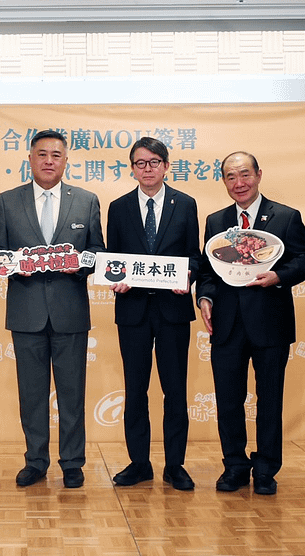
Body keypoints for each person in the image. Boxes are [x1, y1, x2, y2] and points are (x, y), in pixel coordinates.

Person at [0, 129, 104, 489]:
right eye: (42, 154)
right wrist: (12, 262)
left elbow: (98, 252)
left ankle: (72, 462)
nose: (49, 161)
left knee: (72, 393)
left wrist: (82, 264)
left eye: (56, 155)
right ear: (30, 159)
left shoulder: (86, 200)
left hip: (70, 312)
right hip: (26, 312)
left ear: (65, 160)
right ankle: (35, 461)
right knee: (32, 393)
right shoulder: (8, 201)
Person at [196, 152, 305, 495]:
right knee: (228, 399)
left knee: (270, 400)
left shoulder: (286, 217)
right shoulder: (216, 222)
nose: (239, 183)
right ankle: (234, 466)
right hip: (226, 324)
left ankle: (265, 469)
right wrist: (204, 298)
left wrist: (278, 276)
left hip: (270, 323)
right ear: (224, 181)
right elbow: (207, 272)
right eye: (231, 177)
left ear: (259, 174)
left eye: (245, 174)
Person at [105, 137, 200, 490]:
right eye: (140, 163)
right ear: (132, 168)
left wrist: (188, 275)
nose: (148, 169)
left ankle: (175, 464)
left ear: (166, 165)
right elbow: (111, 257)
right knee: (135, 390)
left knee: (175, 389)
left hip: (173, 309)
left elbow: (194, 255)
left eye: (154, 162)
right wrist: (118, 278)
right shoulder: (118, 207)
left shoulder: (185, 204)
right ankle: (139, 462)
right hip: (132, 311)